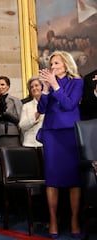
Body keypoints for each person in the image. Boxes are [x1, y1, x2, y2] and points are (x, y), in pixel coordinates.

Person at [38, 50, 83, 239]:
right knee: (52, 179)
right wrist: (46, 89)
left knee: (74, 179)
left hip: (70, 133)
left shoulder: (77, 82)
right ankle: (53, 221)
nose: (53, 67)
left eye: (56, 63)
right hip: (51, 134)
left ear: (66, 64)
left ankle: (74, 221)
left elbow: (69, 105)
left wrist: (55, 85)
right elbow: (41, 108)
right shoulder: (48, 83)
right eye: (51, 64)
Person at [0, 76, 22, 149]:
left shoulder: (15, 100)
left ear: (8, 86)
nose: (0, 87)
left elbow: (19, 118)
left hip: (12, 133)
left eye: (2, 84)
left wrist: (6, 115)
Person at [18, 77, 44, 147]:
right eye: (31, 87)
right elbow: (22, 125)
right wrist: (35, 117)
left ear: (42, 87)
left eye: (36, 85)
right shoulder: (26, 106)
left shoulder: (50, 103)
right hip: (30, 143)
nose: (34, 88)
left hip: (46, 143)